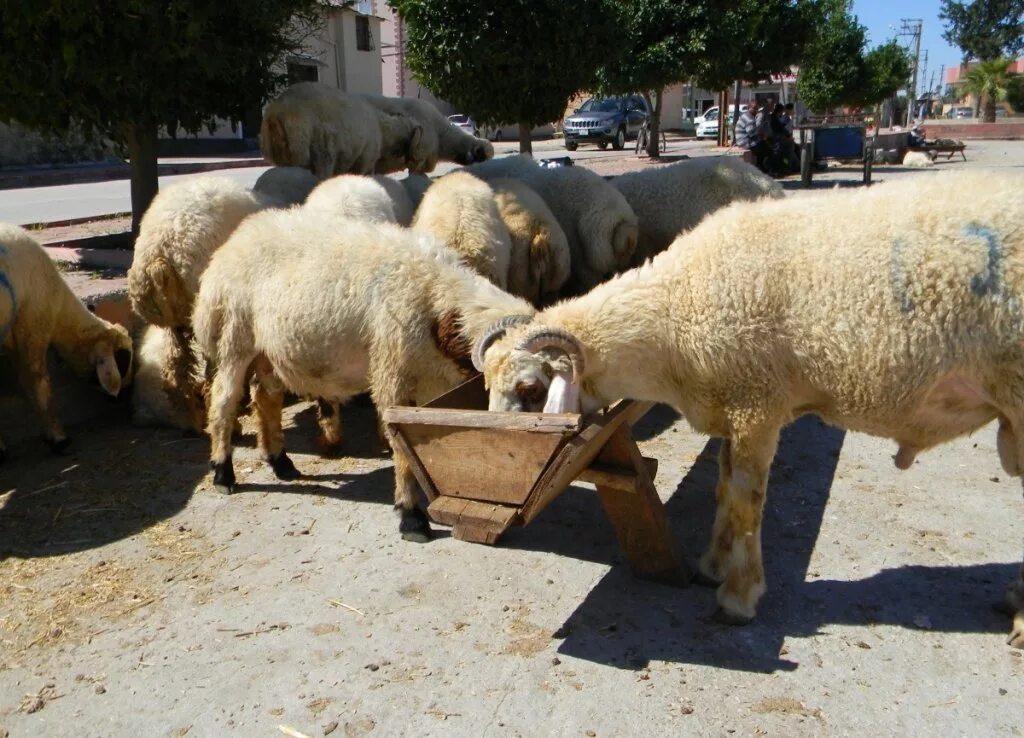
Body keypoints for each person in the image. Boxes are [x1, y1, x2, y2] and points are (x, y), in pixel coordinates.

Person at [735, 101, 770, 171]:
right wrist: (762, 135)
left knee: (764, 146)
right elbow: (752, 133)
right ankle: (761, 168)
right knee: (768, 150)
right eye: (754, 108)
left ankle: (761, 167)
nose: (756, 111)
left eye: (757, 109)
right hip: (745, 142)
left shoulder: (749, 116)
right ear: (748, 108)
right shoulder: (749, 118)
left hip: (747, 141)